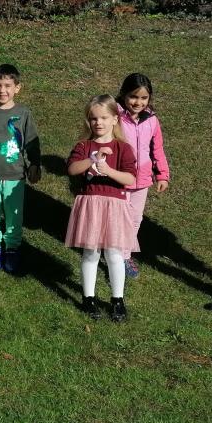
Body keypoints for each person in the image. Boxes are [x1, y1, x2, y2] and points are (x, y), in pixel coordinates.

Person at [65, 95, 138, 322]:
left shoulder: (123, 148)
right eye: (93, 118)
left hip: (114, 206)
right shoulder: (83, 146)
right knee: (90, 253)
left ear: (115, 119)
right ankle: (89, 298)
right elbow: (72, 169)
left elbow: (130, 178)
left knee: (114, 254)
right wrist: (92, 159)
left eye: (104, 118)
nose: (99, 123)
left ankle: (118, 300)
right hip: (90, 205)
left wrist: (108, 170)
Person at [0, 63, 41, 274]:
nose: (3, 90)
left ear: (17, 87)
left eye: (8, 85)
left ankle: (12, 247)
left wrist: (35, 164)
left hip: (15, 175)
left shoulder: (23, 113)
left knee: (14, 214)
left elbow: (31, 142)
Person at [115, 73, 170, 279]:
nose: (138, 102)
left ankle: (124, 256)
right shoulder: (114, 118)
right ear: (123, 94)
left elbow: (158, 149)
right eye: (133, 97)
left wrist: (162, 174)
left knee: (135, 219)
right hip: (119, 178)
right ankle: (112, 253)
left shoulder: (152, 120)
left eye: (143, 98)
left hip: (142, 180)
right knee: (117, 218)